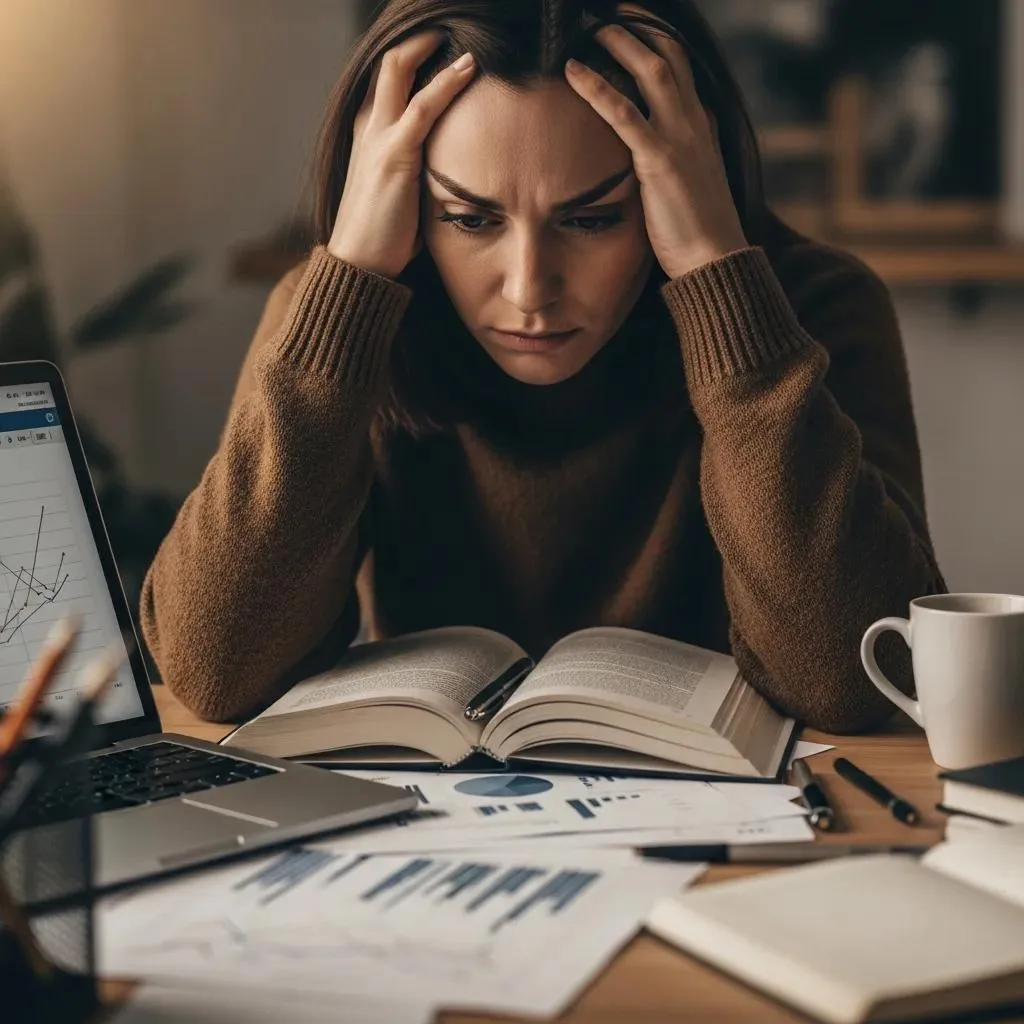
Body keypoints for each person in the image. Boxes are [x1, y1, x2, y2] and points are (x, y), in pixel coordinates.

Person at [140, 0, 946, 733]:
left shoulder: (818, 306)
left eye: (593, 217)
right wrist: (350, 277)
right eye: (468, 217)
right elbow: (215, 671)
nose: (530, 289)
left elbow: (864, 682)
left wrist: (716, 274)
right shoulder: (342, 317)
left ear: (686, 179)